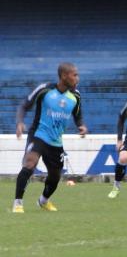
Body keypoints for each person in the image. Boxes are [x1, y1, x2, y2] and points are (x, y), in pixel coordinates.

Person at [12, 62, 88, 213]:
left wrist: (81, 126)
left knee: (55, 176)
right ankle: (18, 203)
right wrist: (20, 122)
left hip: (56, 141)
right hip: (39, 135)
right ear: (64, 76)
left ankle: (43, 201)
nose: (77, 79)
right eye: (75, 75)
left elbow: (77, 115)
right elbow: (23, 106)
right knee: (30, 163)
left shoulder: (76, 96)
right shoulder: (44, 90)